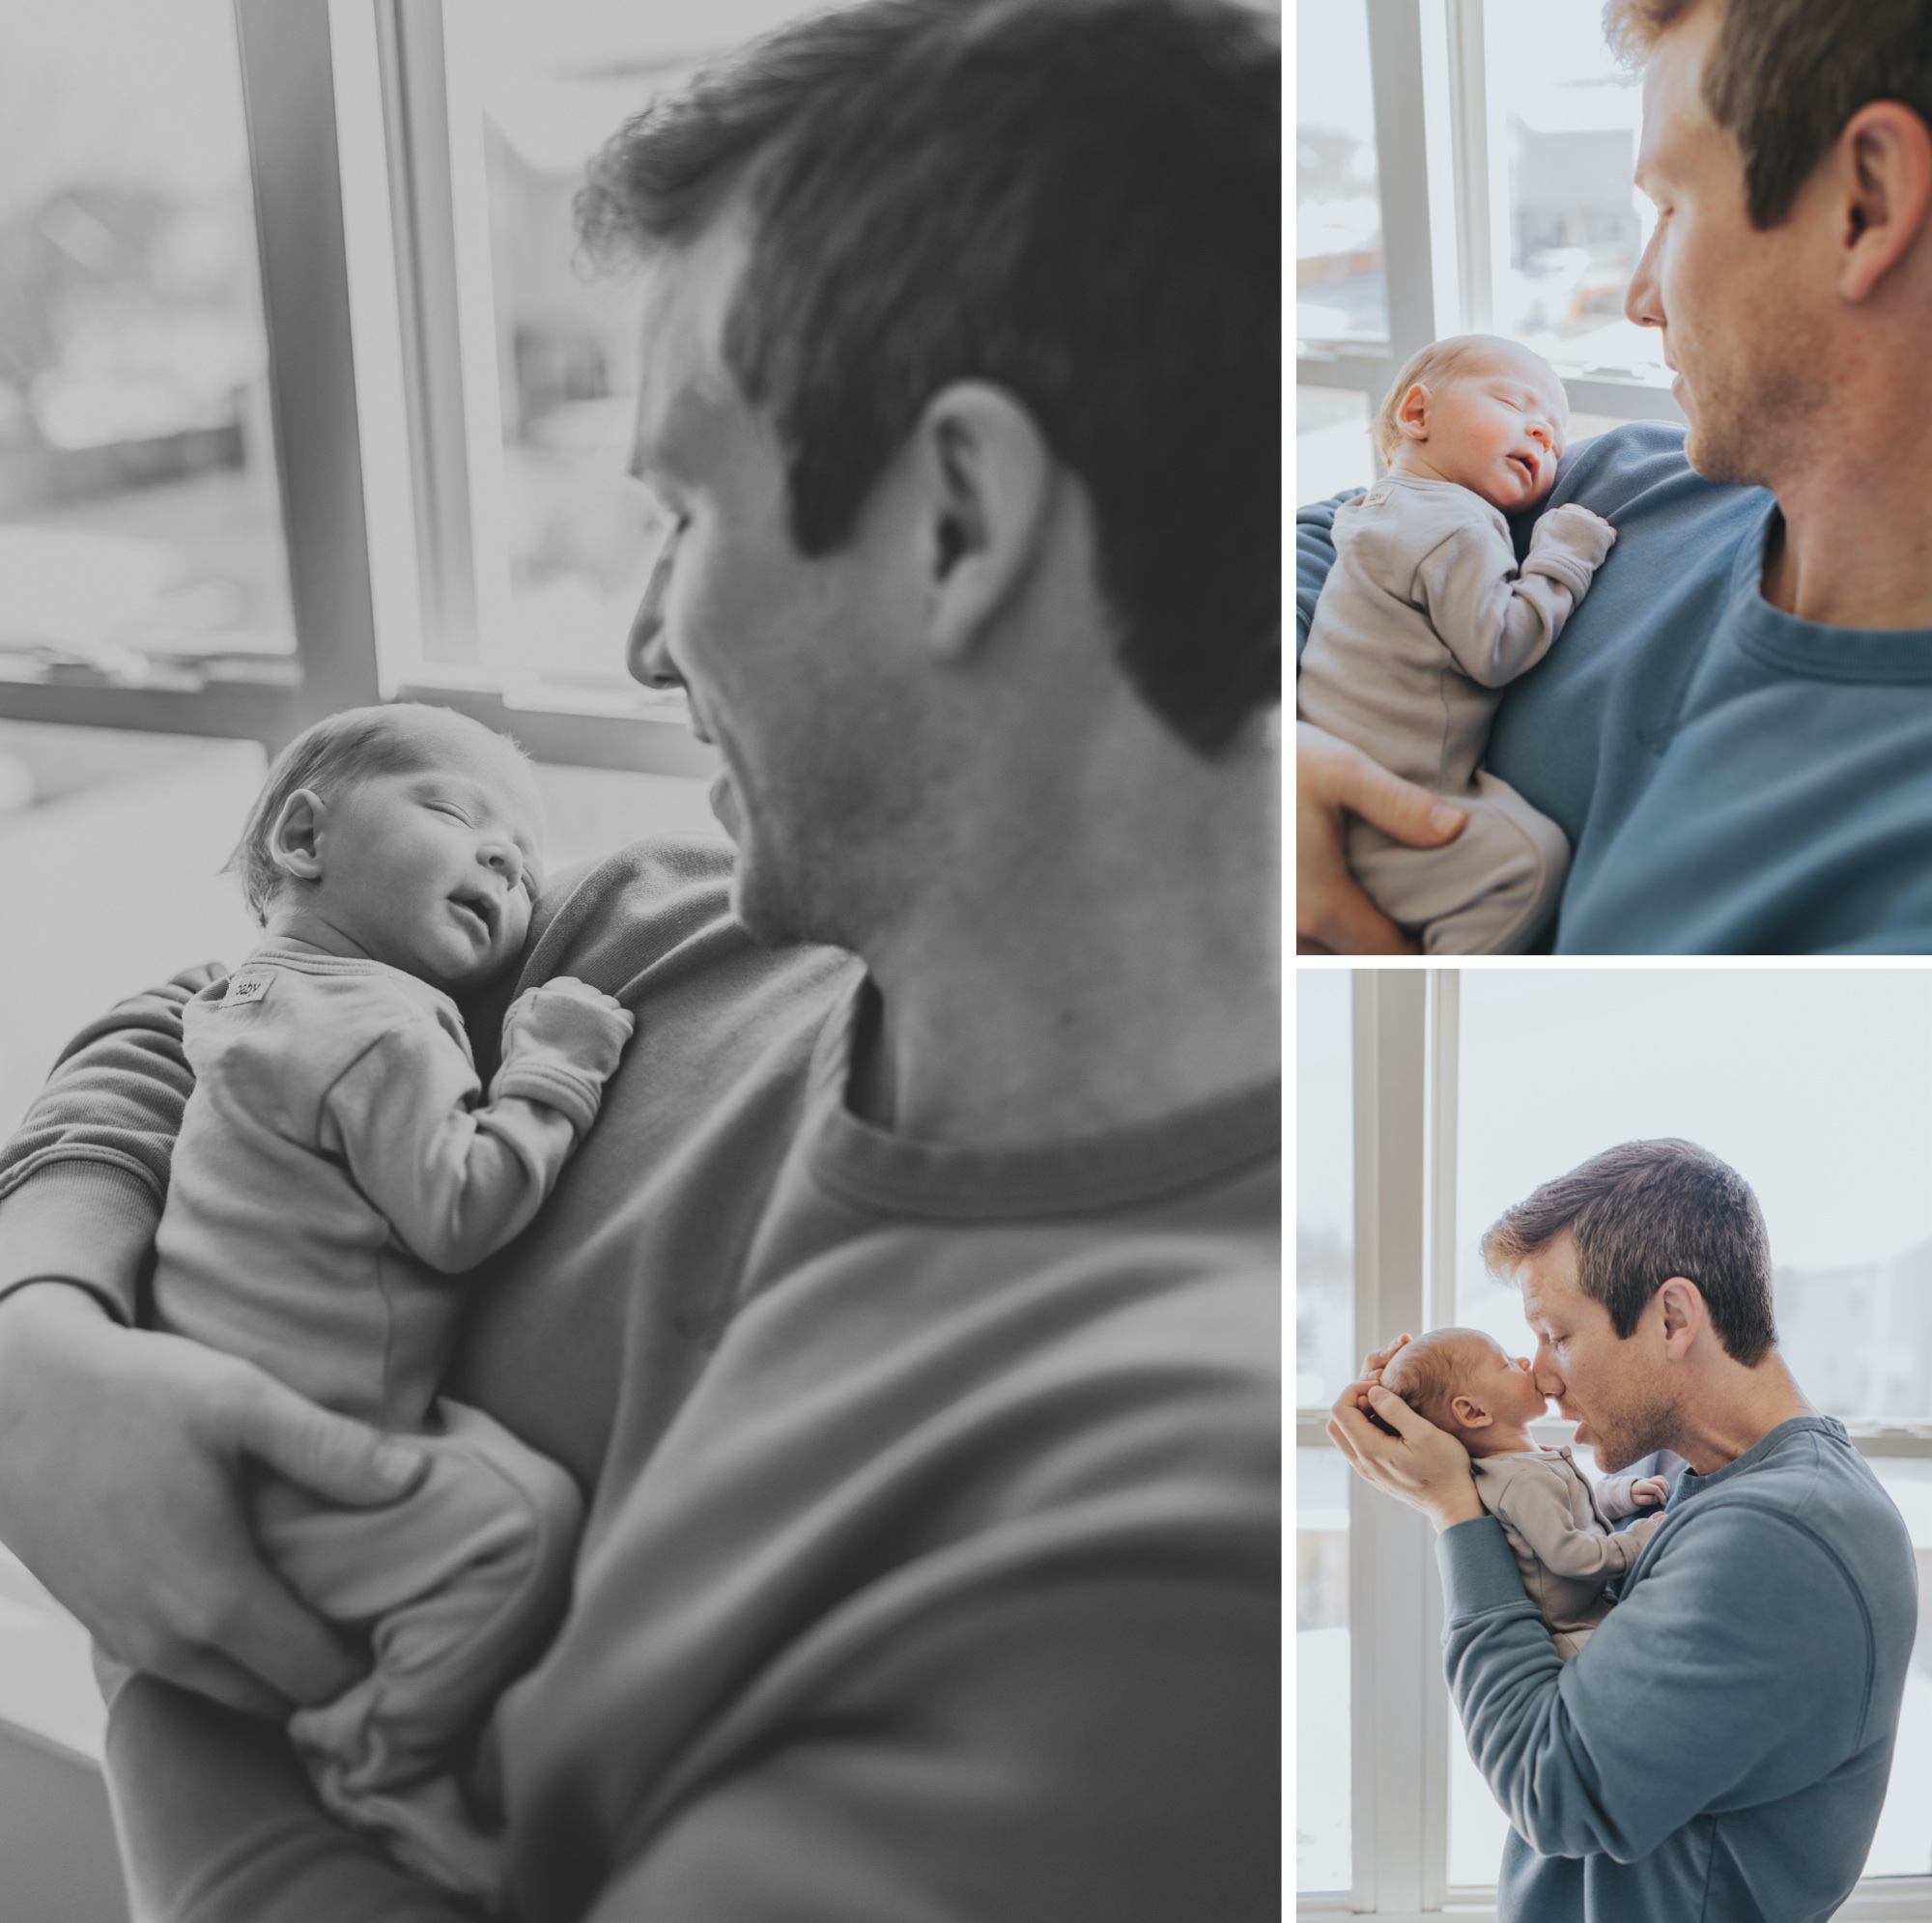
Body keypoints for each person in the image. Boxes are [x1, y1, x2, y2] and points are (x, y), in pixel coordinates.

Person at [0, 3, 1281, 1920]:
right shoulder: (641, 935)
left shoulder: (1154, 1578)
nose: (636, 640)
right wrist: (42, 1333)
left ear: (956, 521)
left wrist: (172, 1640)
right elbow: (210, 1007)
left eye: (681, 507)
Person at [1296, 0, 1932, 956]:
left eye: (1670, 208)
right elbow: (1327, 538)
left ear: (1865, 204)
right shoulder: (1613, 480)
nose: (1637, 299)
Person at [149, 703, 633, 1899]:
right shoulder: (379, 1029)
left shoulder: (243, 997)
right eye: (456, 815)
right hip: (314, 1441)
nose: (504, 864)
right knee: (518, 1524)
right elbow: (459, 1211)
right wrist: (554, 1061)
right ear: (305, 835)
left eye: (520, 862)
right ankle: (382, 1755)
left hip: (214, 1417)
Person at [1330, 1140, 1916, 1922]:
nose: (1541, 1374)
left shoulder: (1778, 1539)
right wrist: (1446, 1428)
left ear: (1672, 1317)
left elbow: (1553, 1785)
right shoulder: (1691, 1472)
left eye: (1559, 1335)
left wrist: (1456, 1514)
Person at [1297, 335, 1616, 952]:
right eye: (1514, 404)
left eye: (1552, 429)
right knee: (1526, 863)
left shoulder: (1369, 511)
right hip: (1390, 807)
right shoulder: (1451, 523)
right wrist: (1565, 553)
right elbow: (1497, 648)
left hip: (1338, 791)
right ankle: (1429, 987)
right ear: (1417, 416)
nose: (1545, 435)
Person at [1377, 1326, 1667, 1658]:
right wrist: (1637, 1541)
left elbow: (1568, 1506)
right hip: (1573, 1632)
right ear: (1473, 1412)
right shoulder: (1519, 1480)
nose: (1527, 1363)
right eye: (1506, 1364)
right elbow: (1570, 1554)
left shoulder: (1521, 1464)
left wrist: (1618, 1495)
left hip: (1590, 1609)